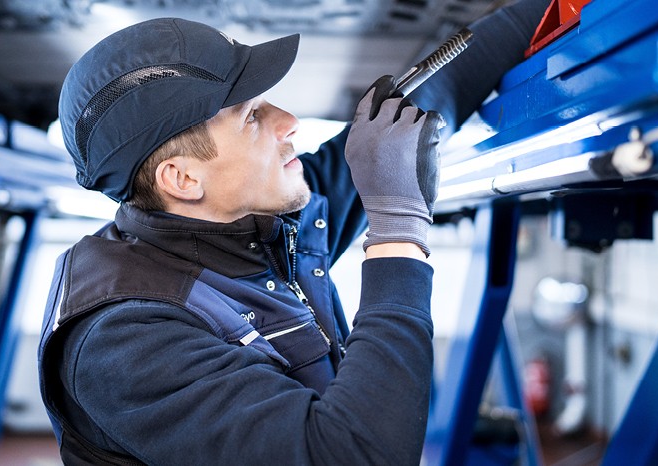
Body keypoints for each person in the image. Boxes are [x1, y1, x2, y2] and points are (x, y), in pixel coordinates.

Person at [38, 1, 549, 464]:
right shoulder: (125, 341)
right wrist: (399, 226)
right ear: (183, 179)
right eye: (251, 116)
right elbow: (353, 457)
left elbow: (436, 91)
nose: (289, 122)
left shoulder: (260, 221)